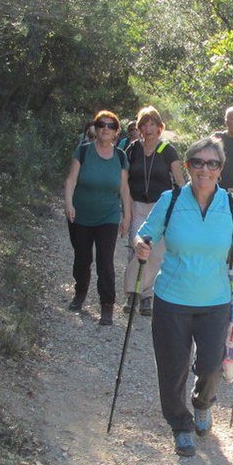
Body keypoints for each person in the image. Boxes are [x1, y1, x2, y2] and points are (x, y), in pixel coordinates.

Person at [134, 137, 233, 457]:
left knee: (210, 366)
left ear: (221, 169)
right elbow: (145, 233)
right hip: (172, 299)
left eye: (212, 163)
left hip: (215, 300)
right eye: (198, 162)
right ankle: (180, 424)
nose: (205, 169)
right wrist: (141, 244)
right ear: (189, 165)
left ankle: (202, 403)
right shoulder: (172, 199)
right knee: (173, 367)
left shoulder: (232, 205)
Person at [63, 110, 132, 326]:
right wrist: (68, 203)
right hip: (81, 213)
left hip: (108, 215)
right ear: (95, 127)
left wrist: (127, 216)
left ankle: (107, 305)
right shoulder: (83, 152)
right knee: (82, 259)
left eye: (110, 126)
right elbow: (71, 181)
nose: (105, 129)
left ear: (116, 132)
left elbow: (123, 188)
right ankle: (80, 293)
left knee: (105, 261)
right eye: (102, 125)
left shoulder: (120, 157)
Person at [123, 106, 185, 316]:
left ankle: (146, 296)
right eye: (144, 124)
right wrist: (125, 211)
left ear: (160, 128)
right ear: (139, 127)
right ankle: (133, 293)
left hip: (161, 208)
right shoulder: (132, 150)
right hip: (137, 205)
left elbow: (179, 182)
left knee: (156, 253)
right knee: (136, 248)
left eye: (152, 124)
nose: (148, 129)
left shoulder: (167, 150)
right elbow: (124, 181)